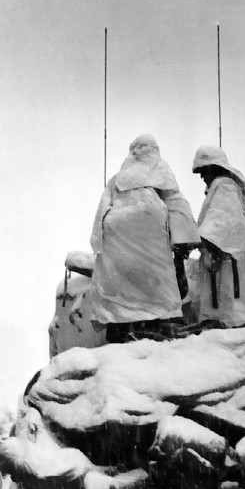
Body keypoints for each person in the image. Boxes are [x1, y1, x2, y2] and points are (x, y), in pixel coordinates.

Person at [90, 134, 200, 341]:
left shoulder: (117, 178)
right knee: (160, 284)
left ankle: (122, 325)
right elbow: (178, 205)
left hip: (117, 226)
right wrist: (183, 245)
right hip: (150, 223)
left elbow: (101, 211)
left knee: (120, 284)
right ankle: (159, 323)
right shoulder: (160, 170)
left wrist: (97, 241)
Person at [191, 145, 245, 327]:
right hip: (229, 261)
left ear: (213, 167)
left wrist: (197, 240)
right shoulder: (224, 187)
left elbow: (221, 226)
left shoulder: (224, 186)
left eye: (204, 172)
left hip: (229, 263)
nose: (203, 178)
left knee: (233, 315)